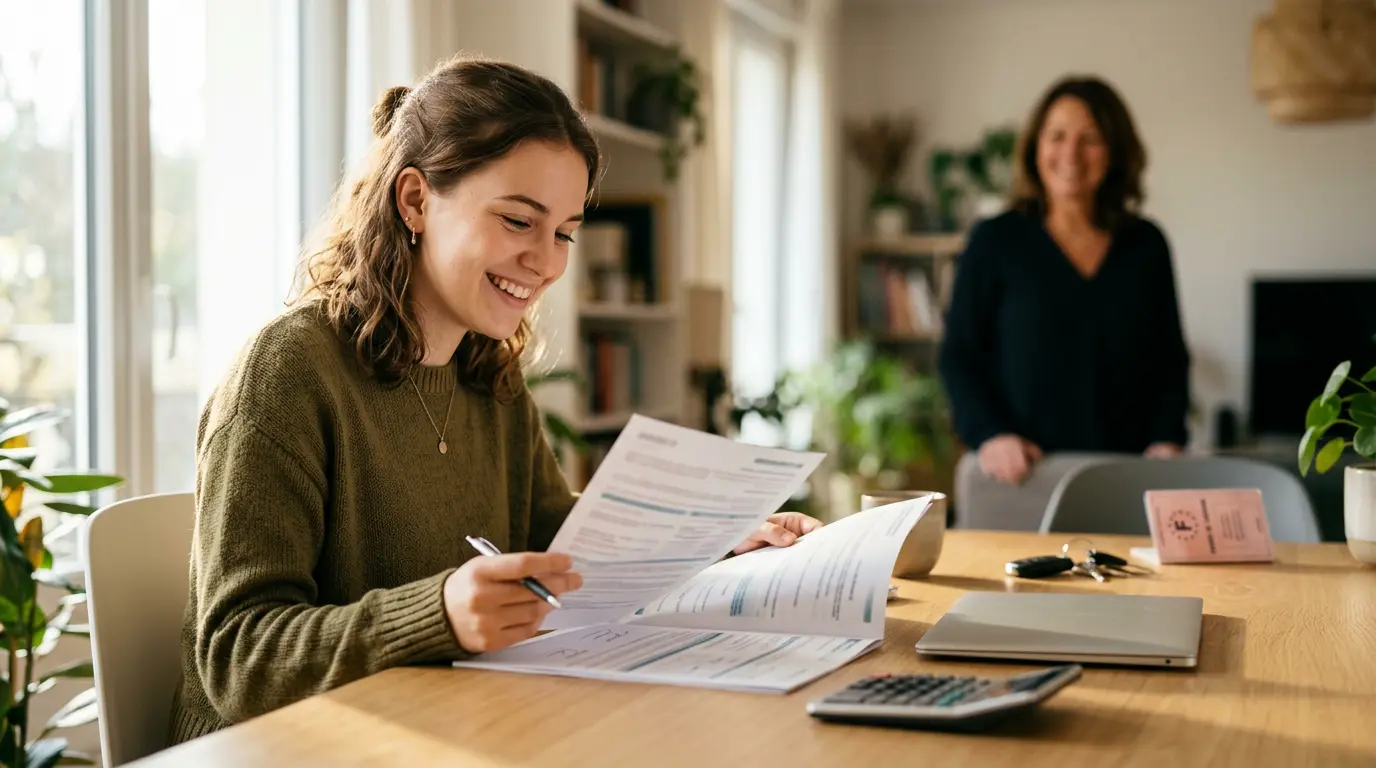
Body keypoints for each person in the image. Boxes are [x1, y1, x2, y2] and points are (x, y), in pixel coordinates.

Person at [169, 55, 821, 744]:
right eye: (518, 221)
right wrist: (438, 613)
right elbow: (237, 656)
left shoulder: (489, 379)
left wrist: (710, 544)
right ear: (415, 200)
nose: (547, 262)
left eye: (565, 232)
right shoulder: (289, 371)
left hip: (436, 732)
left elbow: (559, 546)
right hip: (281, 751)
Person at [938, 75, 1190, 486]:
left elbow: (1170, 360)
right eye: (1056, 136)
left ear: (1115, 152)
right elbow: (959, 356)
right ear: (1036, 146)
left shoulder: (1146, 245)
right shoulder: (994, 241)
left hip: (1128, 479)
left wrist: (1167, 439)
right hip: (1023, 478)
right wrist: (989, 434)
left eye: (1090, 138)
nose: (1071, 153)